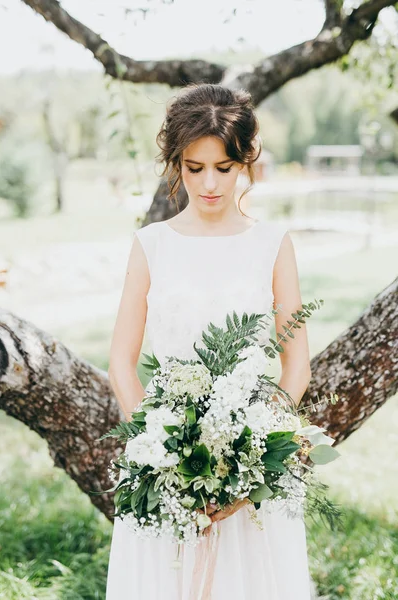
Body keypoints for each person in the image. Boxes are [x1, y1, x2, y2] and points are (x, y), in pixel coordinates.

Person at [106, 83, 312, 599]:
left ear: (246, 160)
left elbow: (296, 367)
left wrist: (255, 457)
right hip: (166, 471)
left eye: (224, 167)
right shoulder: (151, 244)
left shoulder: (272, 244)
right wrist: (160, 456)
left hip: (251, 479)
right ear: (176, 163)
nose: (210, 183)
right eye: (195, 168)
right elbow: (120, 363)